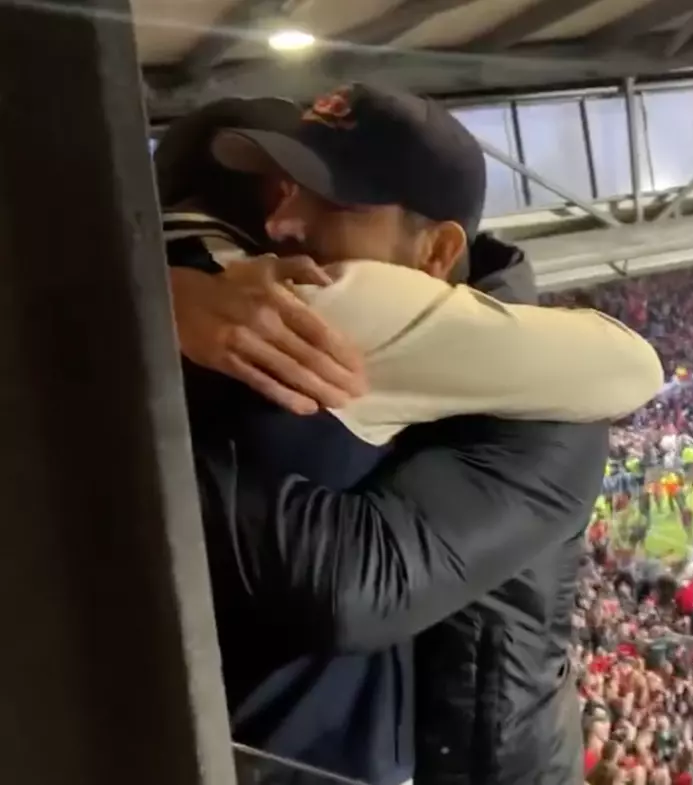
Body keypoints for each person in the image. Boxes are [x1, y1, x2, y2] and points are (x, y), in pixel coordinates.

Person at [158, 86, 642, 785]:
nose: (282, 223)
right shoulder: (290, 300)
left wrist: (145, 439)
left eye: (333, 203)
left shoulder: (550, 406)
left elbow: (352, 586)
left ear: (439, 249)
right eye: (285, 191)